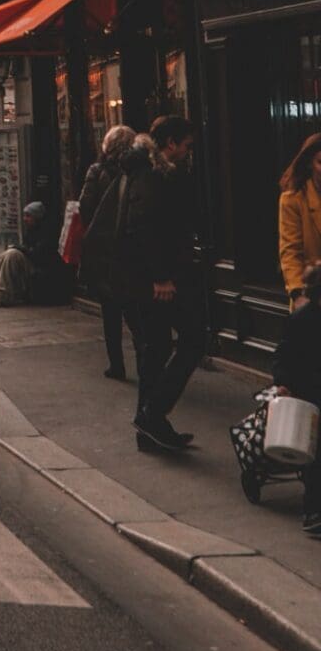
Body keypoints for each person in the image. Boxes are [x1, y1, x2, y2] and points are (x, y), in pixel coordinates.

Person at [120, 116, 205, 455]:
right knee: (192, 339)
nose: (188, 152)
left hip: (157, 277)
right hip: (157, 281)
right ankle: (152, 415)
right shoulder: (151, 176)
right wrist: (160, 277)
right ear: (170, 144)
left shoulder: (151, 171)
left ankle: (150, 425)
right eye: (186, 145)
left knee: (155, 350)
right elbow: (144, 227)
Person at [78, 123, 138, 379]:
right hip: (131, 248)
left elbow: (85, 206)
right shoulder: (139, 171)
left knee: (110, 312)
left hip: (105, 250)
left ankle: (117, 365)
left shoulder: (97, 170)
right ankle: (146, 360)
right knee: (135, 311)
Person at [270, 261, 321, 539]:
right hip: (310, 393)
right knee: (318, 457)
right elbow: (283, 356)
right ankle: (313, 510)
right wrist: (283, 383)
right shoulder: (301, 320)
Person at [0, 202, 74, 307]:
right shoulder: (31, 231)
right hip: (32, 263)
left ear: (37, 217)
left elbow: (39, 255)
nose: (25, 219)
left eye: (28, 216)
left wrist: (20, 249)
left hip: (42, 268)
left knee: (12, 255)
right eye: (25, 216)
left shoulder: (48, 232)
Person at [279, 133, 321, 308]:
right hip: (312, 293)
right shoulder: (294, 198)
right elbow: (290, 251)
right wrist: (297, 294)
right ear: (310, 163)